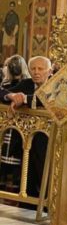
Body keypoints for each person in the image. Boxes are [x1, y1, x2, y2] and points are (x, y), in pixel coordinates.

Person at [0, 56, 52, 198]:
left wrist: (24, 99)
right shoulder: (26, 84)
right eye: (33, 69)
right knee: (27, 178)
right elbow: (3, 92)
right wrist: (12, 96)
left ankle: (47, 204)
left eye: (40, 69)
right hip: (26, 140)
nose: (36, 72)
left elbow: (49, 99)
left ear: (49, 71)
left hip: (49, 141)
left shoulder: (56, 84)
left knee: (46, 177)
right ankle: (27, 204)